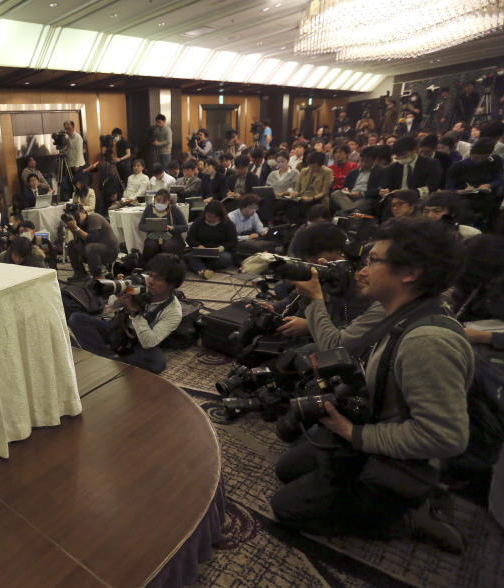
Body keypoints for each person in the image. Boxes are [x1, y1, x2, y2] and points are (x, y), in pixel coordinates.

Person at [271, 217, 473, 552]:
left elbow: (445, 437)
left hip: (397, 451)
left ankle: (406, 516)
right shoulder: (398, 310)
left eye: (373, 261)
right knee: (287, 469)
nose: (362, 271)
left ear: (409, 273)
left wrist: (354, 434)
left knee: (286, 508)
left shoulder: (427, 342)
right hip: (373, 419)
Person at [68, 253, 185, 374]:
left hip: (138, 341)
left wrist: (135, 313)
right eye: (151, 275)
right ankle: (109, 357)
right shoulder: (141, 280)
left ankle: (104, 356)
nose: (151, 281)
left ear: (172, 285)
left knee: (157, 363)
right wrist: (120, 298)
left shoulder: (174, 312)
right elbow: (112, 304)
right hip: (118, 328)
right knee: (76, 319)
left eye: (158, 278)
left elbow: (148, 342)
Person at [63, 203, 118, 279]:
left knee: (91, 247)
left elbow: (92, 239)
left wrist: (76, 228)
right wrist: (72, 229)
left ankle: (97, 276)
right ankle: (80, 273)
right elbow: (78, 241)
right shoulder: (79, 224)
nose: (74, 217)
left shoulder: (94, 218)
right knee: (71, 244)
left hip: (110, 251)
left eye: (75, 214)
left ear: (83, 212)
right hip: (94, 251)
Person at [380, 137, 442, 201]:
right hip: (397, 200)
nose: (401, 158)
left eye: (403, 154)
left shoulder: (430, 164)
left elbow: (432, 187)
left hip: (420, 199)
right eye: (397, 155)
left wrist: (407, 193)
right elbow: (386, 185)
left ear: (414, 150)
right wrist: (386, 191)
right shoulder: (393, 168)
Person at [185, 200, 236, 279]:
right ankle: (204, 271)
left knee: (226, 258)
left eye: (213, 217)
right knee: (190, 255)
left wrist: (221, 248)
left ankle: (199, 267)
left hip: (219, 252)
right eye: (208, 216)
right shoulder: (198, 222)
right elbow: (189, 238)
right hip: (201, 251)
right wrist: (198, 245)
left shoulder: (228, 224)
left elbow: (232, 241)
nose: (209, 218)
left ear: (219, 216)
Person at [138, 188, 187, 263]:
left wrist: (173, 228)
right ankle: (150, 266)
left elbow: (185, 227)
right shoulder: (149, 208)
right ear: (154, 199)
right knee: (150, 245)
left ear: (169, 201)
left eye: (164, 201)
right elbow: (141, 225)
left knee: (168, 245)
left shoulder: (174, 209)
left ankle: (170, 267)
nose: (160, 203)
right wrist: (151, 227)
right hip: (154, 235)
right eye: (158, 200)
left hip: (172, 236)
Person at [331, 145, 384, 214]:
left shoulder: (379, 171)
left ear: (374, 161)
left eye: (367, 161)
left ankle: (347, 212)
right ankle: (352, 211)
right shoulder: (353, 172)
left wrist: (361, 194)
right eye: (362, 161)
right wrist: (345, 190)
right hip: (350, 196)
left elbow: (380, 189)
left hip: (365, 197)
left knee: (361, 204)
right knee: (336, 193)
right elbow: (344, 186)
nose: (363, 163)